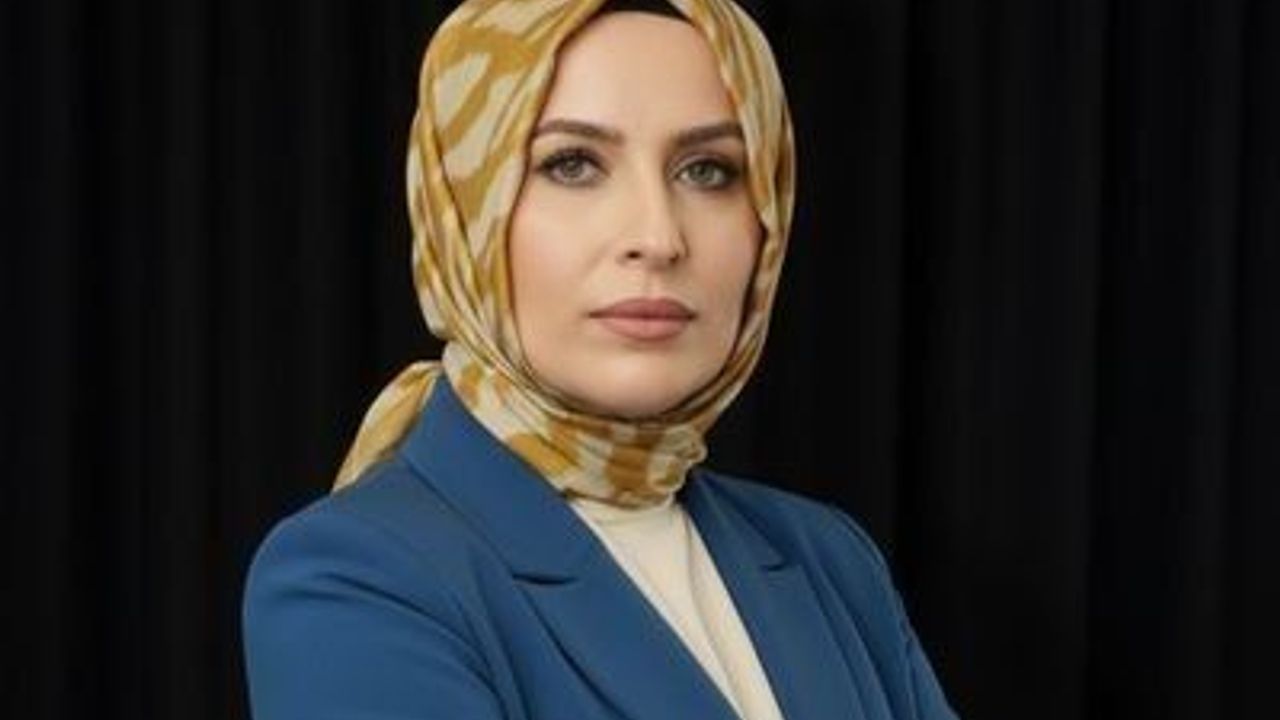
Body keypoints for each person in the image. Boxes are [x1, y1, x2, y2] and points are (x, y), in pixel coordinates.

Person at [241, 0, 957, 718]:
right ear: (462, 209)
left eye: (707, 171)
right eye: (573, 164)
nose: (658, 236)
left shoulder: (832, 562)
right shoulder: (354, 576)